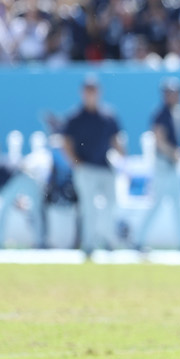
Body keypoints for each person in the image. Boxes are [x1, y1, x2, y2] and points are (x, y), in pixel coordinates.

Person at [61, 75, 126, 256]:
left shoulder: (108, 115)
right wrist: (76, 163)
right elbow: (65, 143)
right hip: (85, 167)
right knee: (88, 208)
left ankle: (108, 239)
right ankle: (89, 245)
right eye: (88, 90)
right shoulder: (75, 117)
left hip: (105, 167)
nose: (91, 94)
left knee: (111, 204)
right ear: (82, 92)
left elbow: (116, 140)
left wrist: (122, 153)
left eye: (93, 90)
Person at [135, 78, 180, 252]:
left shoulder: (175, 112)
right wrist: (173, 153)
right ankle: (138, 240)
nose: (173, 96)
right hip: (163, 165)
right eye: (170, 93)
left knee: (178, 204)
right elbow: (159, 140)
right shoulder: (161, 113)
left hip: (171, 165)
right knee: (157, 203)